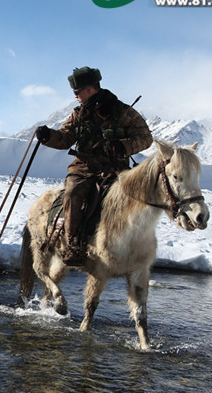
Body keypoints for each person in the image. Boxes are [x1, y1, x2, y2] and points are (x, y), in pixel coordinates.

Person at [35, 66, 152, 266]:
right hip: (84, 167)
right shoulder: (78, 115)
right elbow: (64, 139)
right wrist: (48, 136)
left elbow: (145, 138)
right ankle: (74, 245)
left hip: (115, 168)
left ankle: (132, 243)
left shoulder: (123, 112)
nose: (75, 96)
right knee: (72, 194)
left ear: (89, 89)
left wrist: (122, 146)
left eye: (76, 92)